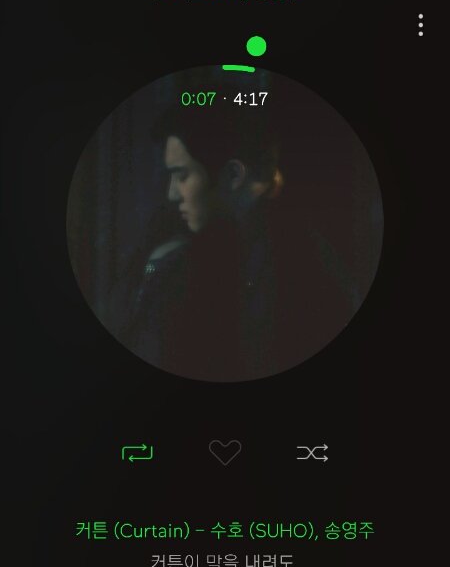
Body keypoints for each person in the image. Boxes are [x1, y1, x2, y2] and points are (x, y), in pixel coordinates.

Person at [109, 101, 353, 381]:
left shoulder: (300, 269)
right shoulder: (181, 253)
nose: (172, 193)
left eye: (183, 175)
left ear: (234, 175)